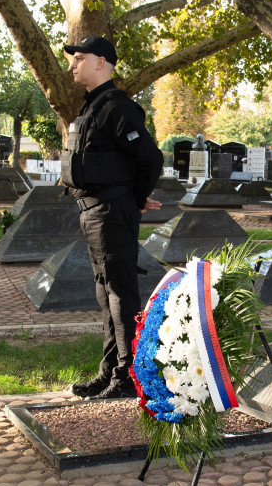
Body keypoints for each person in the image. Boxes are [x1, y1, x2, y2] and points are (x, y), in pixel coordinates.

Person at [60, 35, 164, 400]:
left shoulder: (118, 108)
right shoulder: (93, 108)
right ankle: (110, 372)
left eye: (79, 58)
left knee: (121, 295)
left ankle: (128, 377)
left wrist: (134, 200)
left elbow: (150, 159)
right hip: (93, 212)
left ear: (101, 62)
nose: (73, 64)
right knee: (107, 296)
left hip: (111, 213)